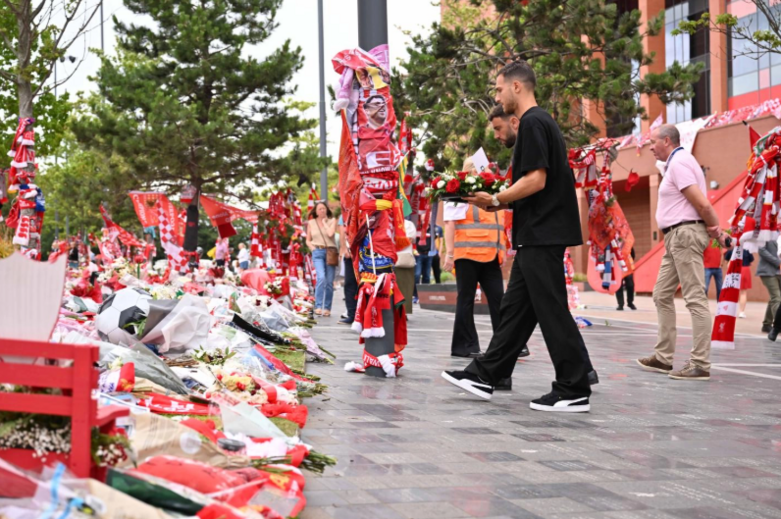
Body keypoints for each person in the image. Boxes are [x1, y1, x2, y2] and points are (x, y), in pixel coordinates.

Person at [441, 61, 594, 412]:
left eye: (498, 89)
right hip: (535, 233)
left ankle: (574, 388)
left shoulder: (533, 122)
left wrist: (496, 199)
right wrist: (501, 205)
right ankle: (485, 373)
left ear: (516, 87)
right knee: (515, 311)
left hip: (543, 234)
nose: (497, 95)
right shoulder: (538, 123)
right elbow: (537, 186)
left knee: (551, 310)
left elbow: (536, 180)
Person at [636, 124, 728, 381]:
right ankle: (663, 359)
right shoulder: (677, 163)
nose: (650, 147)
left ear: (667, 140)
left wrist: (718, 233)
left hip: (684, 235)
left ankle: (700, 363)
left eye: (653, 142)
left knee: (695, 299)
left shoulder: (679, 164)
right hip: (676, 237)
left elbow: (702, 203)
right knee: (661, 294)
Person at [443, 158, 508, 360]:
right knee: (466, 300)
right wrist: (450, 254)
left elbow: (498, 225)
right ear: (472, 170)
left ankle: (507, 343)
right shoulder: (459, 192)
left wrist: (501, 250)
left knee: (500, 300)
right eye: (484, 168)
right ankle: (465, 346)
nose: (488, 171)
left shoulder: (493, 192)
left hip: (490, 256)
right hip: (467, 255)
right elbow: (450, 224)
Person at [306, 201, 337, 317]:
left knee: (329, 282)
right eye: (319, 209)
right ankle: (318, 306)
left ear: (327, 210)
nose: (322, 211)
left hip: (330, 252)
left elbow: (330, 234)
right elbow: (308, 239)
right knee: (321, 278)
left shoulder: (332, 221)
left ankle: (327, 308)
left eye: (324, 209)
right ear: (315, 211)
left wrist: (324, 222)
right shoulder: (311, 223)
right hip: (318, 252)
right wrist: (313, 248)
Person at [338, 215, 358, 325]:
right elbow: (342, 233)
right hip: (350, 254)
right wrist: (344, 249)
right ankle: (351, 314)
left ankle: (365, 314)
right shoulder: (345, 213)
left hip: (365, 253)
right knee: (350, 283)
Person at [394, 219, 417, 316]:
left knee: (405, 287)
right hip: (388, 258)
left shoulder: (408, 224)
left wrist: (390, 246)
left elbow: (410, 240)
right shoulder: (385, 221)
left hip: (403, 258)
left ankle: (403, 312)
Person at [724, 246, 754, 319]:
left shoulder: (732, 248)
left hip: (733, 269)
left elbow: (726, 260)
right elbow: (751, 259)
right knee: (743, 292)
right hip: (744, 269)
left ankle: (729, 311)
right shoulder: (747, 248)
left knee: (731, 291)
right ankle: (741, 312)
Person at [758, 240, 781, 333]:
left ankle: (767, 324)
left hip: (779, 273)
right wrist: (778, 262)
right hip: (768, 271)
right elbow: (761, 250)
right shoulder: (767, 232)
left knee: (774, 298)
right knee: (777, 298)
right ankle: (778, 326)